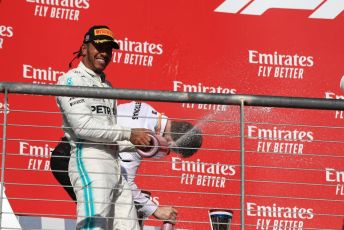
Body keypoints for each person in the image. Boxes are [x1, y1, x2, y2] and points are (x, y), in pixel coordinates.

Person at [56, 25, 151, 230]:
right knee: (94, 226)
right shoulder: (70, 80)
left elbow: (109, 131)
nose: (105, 53)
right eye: (99, 47)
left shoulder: (107, 86)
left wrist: (143, 145)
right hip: (90, 160)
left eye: (109, 49)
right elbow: (83, 127)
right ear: (83, 49)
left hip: (114, 164)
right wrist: (129, 134)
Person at [51, 101, 203, 228]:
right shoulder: (144, 137)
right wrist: (155, 210)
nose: (167, 153)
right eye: (171, 151)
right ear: (172, 143)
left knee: (105, 215)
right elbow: (125, 181)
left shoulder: (146, 108)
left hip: (74, 151)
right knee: (100, 218)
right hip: (71, 158)